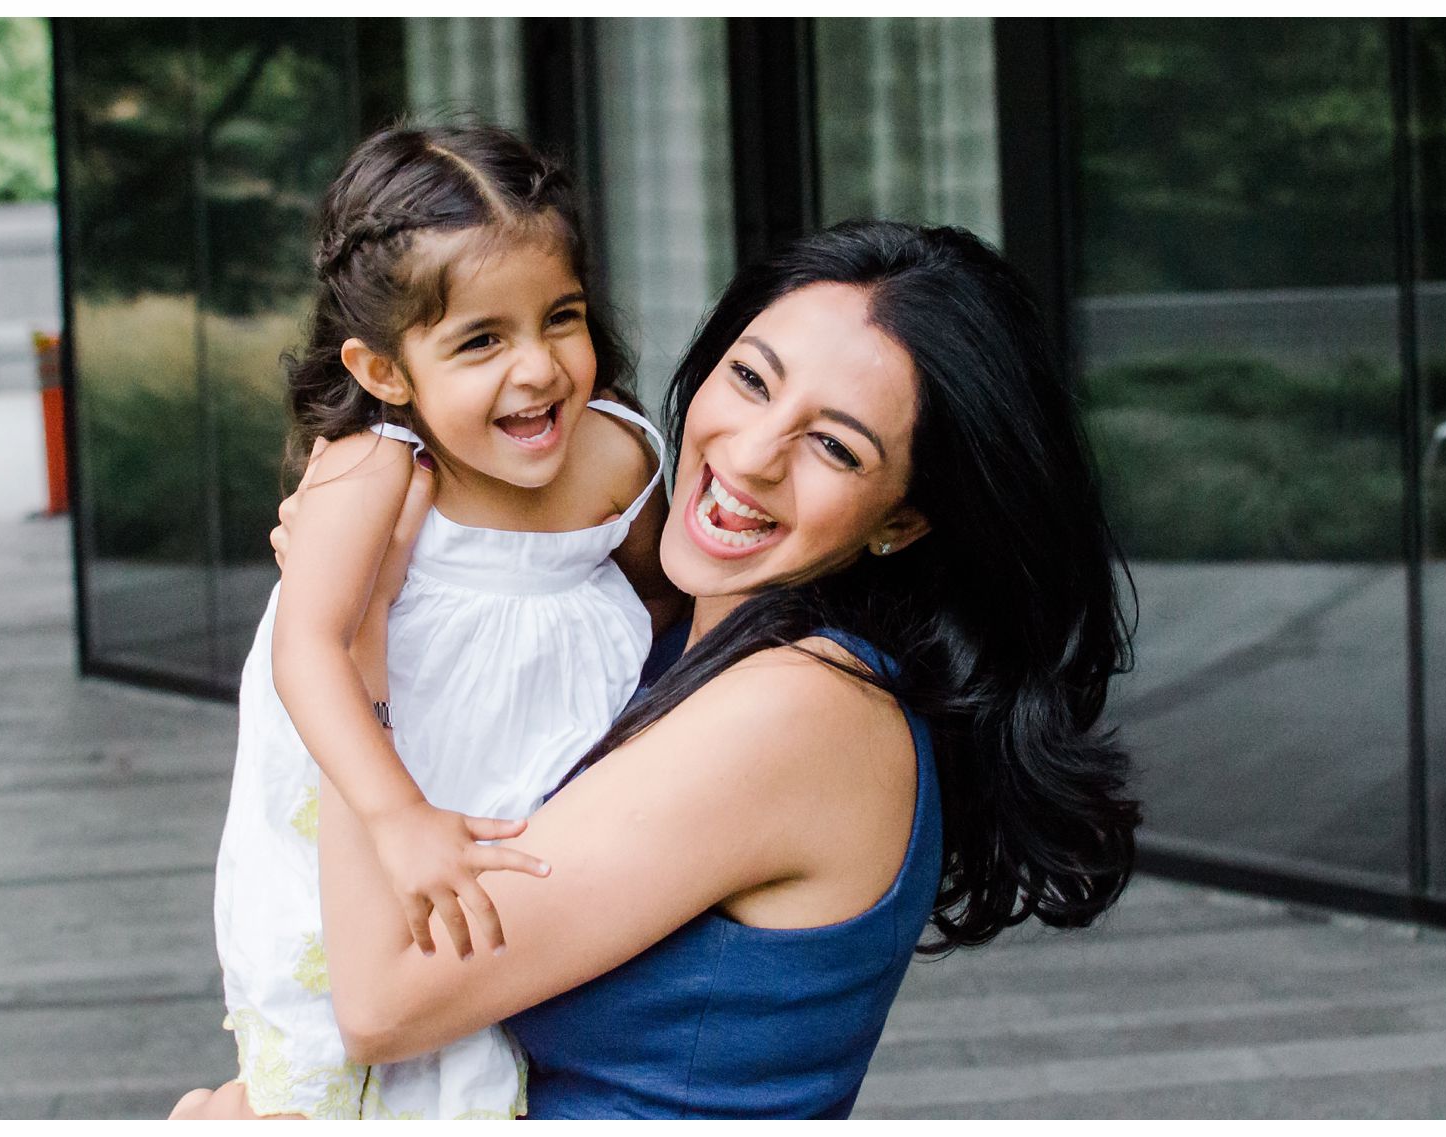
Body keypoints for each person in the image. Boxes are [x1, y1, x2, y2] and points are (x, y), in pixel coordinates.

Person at [186, 218, 1140, 1119]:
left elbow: (383, 1001)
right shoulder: (652, 642)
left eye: (835, 446)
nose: (753, 456)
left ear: (902, 517)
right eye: (752, 380)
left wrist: (358, 629)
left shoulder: (804, 710)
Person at [183, 123, 679, 1120]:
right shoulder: (376, 468)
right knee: (327, 1075)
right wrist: (395, 817)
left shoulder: (618, 459)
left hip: (518, 798)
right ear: (384, 371)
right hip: (374, 797)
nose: (538, 369)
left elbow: (665, 601)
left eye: (561, 318)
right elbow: (309, 647)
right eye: (481, 340)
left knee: (475, 1049)